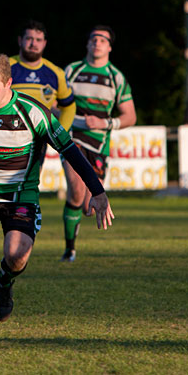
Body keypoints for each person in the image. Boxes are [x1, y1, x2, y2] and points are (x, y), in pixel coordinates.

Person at [0, 54, 113, 338]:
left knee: (17, 256)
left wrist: (98, 192)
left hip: (21, 197)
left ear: (8, 83)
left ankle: (4, 282)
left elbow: (69, 149)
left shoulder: (34, 112)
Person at [0, 20, 77, 261]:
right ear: (20, 41)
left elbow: (69, 106)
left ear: (45, 43)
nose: (33, 43)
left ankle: (15, 233)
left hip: (34, 144)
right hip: (0, 137)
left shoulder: (54, 73)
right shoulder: (7, 66)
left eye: (38, 39)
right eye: (29, 38)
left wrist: (56, 134)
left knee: (23, 185)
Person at [61, 25, 136, 262]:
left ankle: (74, 233)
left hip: (99, 145)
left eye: (102, 40)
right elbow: (55, 103)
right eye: (93, 38)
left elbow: (130, 116)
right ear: (87, 44)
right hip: (72, 139)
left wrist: (104, 123)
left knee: (87, 206)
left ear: (110, 47)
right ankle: (70, 249)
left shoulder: (116, 77)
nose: (97, 42)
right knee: (74, 191)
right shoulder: (72, 71)